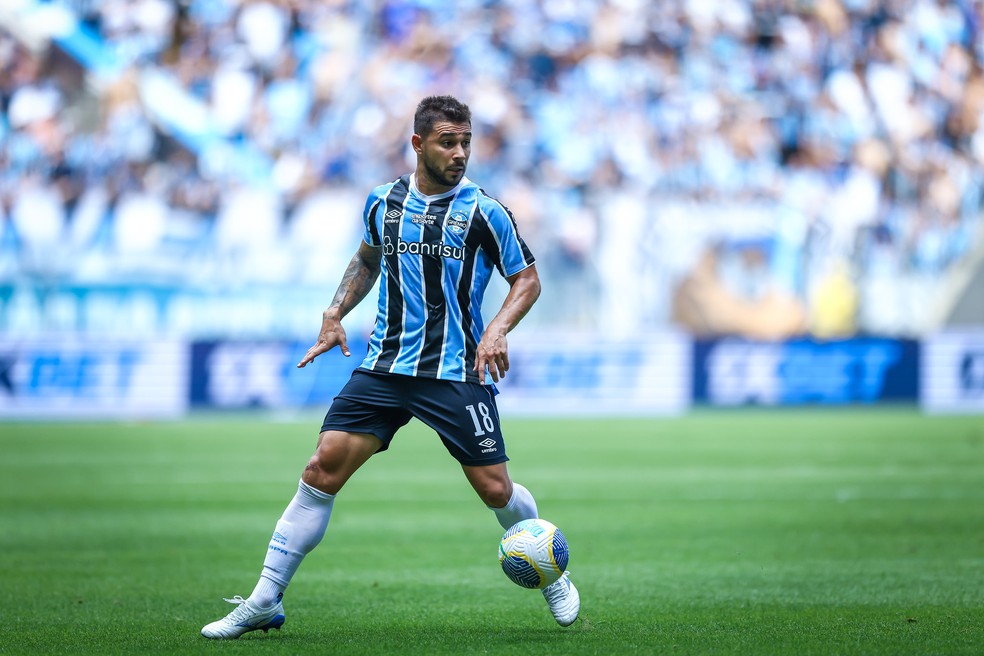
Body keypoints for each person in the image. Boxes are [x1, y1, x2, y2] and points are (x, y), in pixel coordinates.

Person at [201, 95, 580, 639]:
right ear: (419, 144)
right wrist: (335, 312)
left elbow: (528, 279)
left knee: (496, 490)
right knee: (320, 469)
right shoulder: (384, 201)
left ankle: (549, 573)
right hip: (383, 365)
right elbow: (367, 259)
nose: (460, 152)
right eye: (448, 142)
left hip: (452, 369)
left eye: (466, 141)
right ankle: (265, 598)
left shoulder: (484, 210)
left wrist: (496, 330)